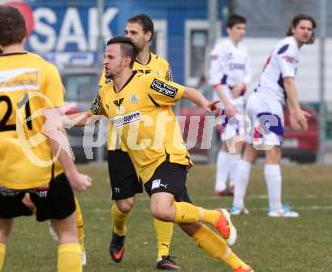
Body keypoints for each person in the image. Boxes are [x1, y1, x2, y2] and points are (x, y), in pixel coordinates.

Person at [71, 36, 254, 272]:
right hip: (147, 168)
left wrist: (205, 103)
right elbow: (87, 117)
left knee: (160, 209)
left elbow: (185, 90)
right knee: (187, 224)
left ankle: (215, 215)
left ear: (126, 61)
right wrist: (56, 120)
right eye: (104, 56)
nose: (104, 62)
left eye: (110, 57)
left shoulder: (148, 83)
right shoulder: (106, 93)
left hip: (168, 156)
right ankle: (240, 266)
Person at [0, 5, 91, 272]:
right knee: (68, 234)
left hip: (5, 175)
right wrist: (73, 174)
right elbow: (54, 129)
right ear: (25, 32)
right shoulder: (45, 70)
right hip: (46, 172)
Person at [96, 14, 181, 270]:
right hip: (121, 143)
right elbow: (103, 98)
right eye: (126, 32)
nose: (128, 37)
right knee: (125, 204)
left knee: (162, 196)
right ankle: (118, 231)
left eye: (133, 33)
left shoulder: (161, 66)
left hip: (153, 145)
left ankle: (163, 255)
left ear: (148, 36)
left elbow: (168, 99)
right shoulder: (115, 65)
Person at [231, 14, 315, 217]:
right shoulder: (290, 47)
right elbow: (288, 82)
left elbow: (282, 83)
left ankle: (237, 205)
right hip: (267, 104)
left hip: (258, 101)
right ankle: (275, 208)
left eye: (309, 29)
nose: (305, 31)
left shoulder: (287, 45)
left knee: (250, 151)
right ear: (292, 28)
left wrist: (292, 109)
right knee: (273, 151)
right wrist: (295, 111)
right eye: (302, 27)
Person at [208, 14, 251, 200]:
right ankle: (226, 184)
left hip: (238, 102)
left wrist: (242, 86)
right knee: (234, 142)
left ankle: (226, 185)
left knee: (233, 143)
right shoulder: (221, 49)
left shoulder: (243, 50)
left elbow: (248, 74)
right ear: (229, 29)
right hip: (224, 103)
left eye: (244, 28)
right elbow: (214, 78)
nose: (242, 31)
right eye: (238, 28)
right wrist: (226, 104)